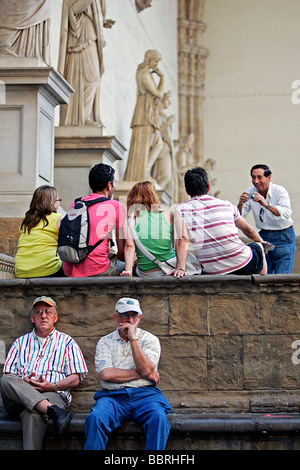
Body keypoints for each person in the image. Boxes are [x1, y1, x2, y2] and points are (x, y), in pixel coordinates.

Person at [0, 296, 88, 450]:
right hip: (18, 399)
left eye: (48, 311)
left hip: (52, 394)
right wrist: (24, 382)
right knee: (5, 379)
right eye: (38, 312)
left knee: (33, 413)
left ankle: (46, 408)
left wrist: (52, 385)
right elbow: (9, 377)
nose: (43, 315)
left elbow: (75, 378)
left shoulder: (67, 342)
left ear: (55, 317)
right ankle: (53, 411)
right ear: (32, 318)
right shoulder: (20, 343)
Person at [84, 297, 172, 450]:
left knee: (159, 419)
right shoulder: (105, 342)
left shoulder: (150, 339)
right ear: (115, 317)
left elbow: (145, 369)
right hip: (113, 397)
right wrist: (144, 373)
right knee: (95, 418)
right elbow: (106, 375)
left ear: (140, 317)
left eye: (134, 315)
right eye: (125, 315)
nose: (130, 320)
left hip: (146, 395)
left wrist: (133, 338)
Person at [174, 167, 267, 277]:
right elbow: (249, 230)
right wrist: (262, 243)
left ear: (186, 190)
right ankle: (261, 283)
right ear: (208, 186)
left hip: (212, 271)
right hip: (243, 264)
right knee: (258, 246)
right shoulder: (227, 205)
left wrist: (180, 268)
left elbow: (182, 239)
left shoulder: (180, 209)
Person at [58, 0, 115, 127]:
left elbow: (91, 11)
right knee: (90, 78)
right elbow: (73, 9)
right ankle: (81, 119)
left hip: (91, 35)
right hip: (82, 36)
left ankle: (86, 116)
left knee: (95, 77)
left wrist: (101, 22)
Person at [63, 163, 125, 277]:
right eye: (114, 182)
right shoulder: (116, 206)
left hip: (71, 268)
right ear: (109, 185)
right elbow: (121, 251)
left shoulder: (76, 203)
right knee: (127, 266)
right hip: (98, 268)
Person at [237, 164, 295, 274]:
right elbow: (239, 217)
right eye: (253, 177)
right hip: (263, 236)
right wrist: (240, 204)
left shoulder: (279, 191)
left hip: (283, 235)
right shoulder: (250, 191)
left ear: (269, 177)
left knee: (282, 278)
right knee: (263, 276)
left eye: (259, 177)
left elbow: (286, 213)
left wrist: (265, 204)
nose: (256, 181)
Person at [124, 49, 165, 182]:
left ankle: (145, 171)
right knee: (146, 142)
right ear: (149, 59)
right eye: (156, 60)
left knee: (157, 142)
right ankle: (141, 173)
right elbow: (158, 93)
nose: (157, 64)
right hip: (144, 112)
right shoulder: (144, 74)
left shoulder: (147, 74)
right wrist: (163, 78)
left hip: (149, 112)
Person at [120, 181, 176, 278]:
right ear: (154, 195)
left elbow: (129, 246)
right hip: (170, 268)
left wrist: (128, 270)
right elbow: (173, 245)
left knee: (137, 264)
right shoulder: (168, 214)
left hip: (147, 273)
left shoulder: (130, 218)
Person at [14, 185, 65, 278]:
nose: (59, 204)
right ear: (52, 202)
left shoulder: (26, 221)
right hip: (47, 270)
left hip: (21, 271)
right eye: (58, 200)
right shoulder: (57, 218)